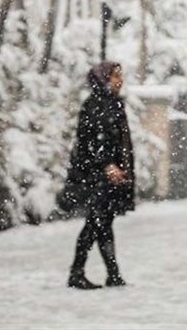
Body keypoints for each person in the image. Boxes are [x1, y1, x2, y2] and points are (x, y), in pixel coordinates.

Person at [65, 62, 135, 290]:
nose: (120, 80)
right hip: (97, 176)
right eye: (115, 76)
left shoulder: (112, 104)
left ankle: (112, 273)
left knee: (103, 222)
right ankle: (77, 272)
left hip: (109, 174)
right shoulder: (96, 105)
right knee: (96, 223)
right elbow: (92, 142)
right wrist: (106, 165)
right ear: (103, 79)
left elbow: (115, 140)